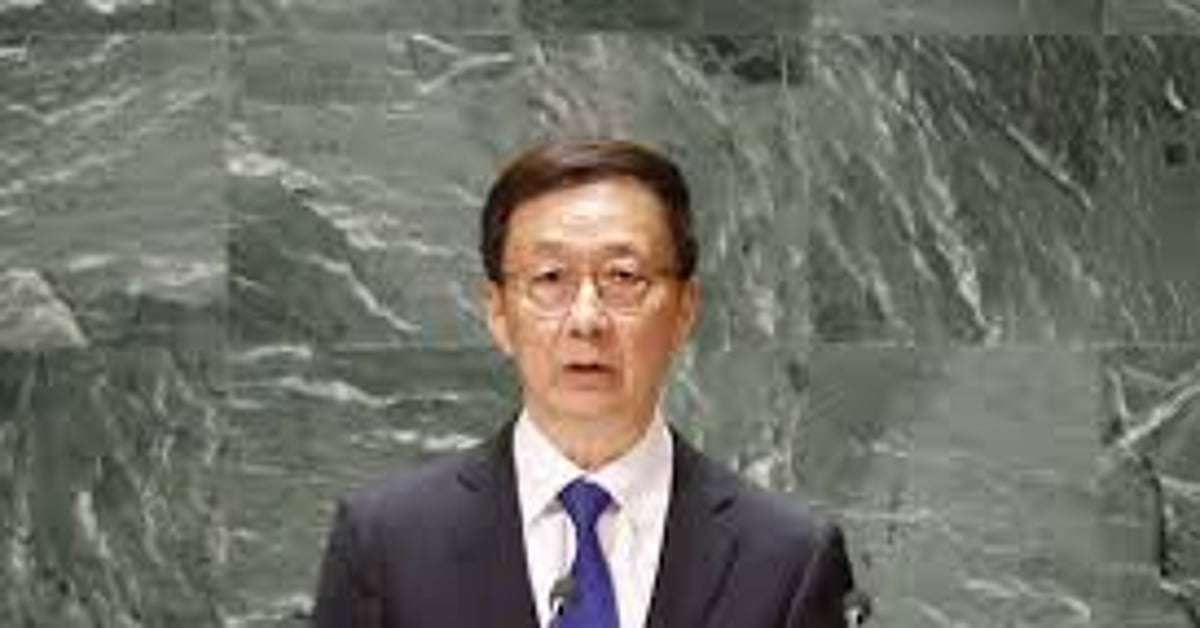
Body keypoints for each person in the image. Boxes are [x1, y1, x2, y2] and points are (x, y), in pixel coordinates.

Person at [311, 139, 857, 627]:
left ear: (684, 311)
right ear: (498, 312)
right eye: (551, 278)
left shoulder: (787, 559)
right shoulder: (388, 544)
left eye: (623, 277)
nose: (587, 319)